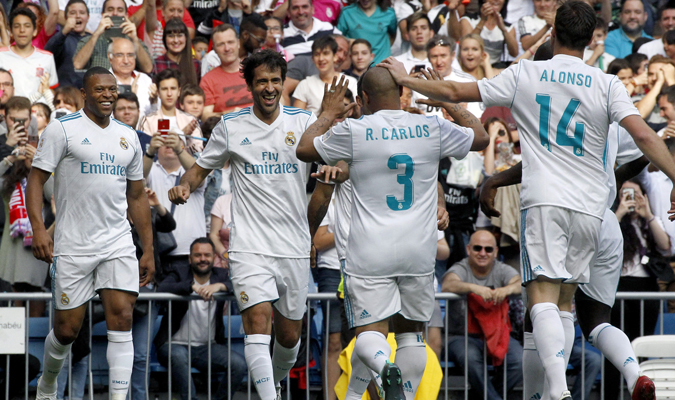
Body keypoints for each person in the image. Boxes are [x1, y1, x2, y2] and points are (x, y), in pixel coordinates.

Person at [379, 1, 675, 399]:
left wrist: (407, 80)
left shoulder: (526, 73)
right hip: (592, 208)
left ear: (552, 33)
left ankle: (557, 391)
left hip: (546, 201)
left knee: (541, 299)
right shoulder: (606, 84)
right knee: (566, 302)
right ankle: (601, 379)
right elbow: (642, 136)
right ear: (591, 40)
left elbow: (453, 89)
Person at [295, 67, 488, 398]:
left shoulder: (355, 130)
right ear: (401, 91)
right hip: (418, 248)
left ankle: (386, 368)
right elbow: (481, 137)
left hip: (370, 250)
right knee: (411, 334)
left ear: (364, 98)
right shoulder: (431, 126)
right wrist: (444, 98)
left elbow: (304, 149)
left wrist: (326, 113)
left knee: (369, 333)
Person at [169, 50, 316, 400]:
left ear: (283, 83)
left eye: (275, 81)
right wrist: (185, 185)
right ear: (250, 85)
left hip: (292, 245)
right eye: (261, 81)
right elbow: (200, 168)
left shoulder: (304, 122)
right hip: (248, 244)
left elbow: (334, 162)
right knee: (256, 325)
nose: (269, 87)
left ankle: (274, 382)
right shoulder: (231, 126)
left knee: (290, 337)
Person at [27, 66, 154, 400]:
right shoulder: (62, 129)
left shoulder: (128, 136)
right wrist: (39, 229)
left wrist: (149, 249)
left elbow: (137, 196)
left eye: (112, 89)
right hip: (73, 244)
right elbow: (36, 180)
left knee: (122, 316)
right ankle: (48, 382)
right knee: (68, 330)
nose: (108, 95)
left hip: (117, 241)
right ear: (85, 93)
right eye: (100, 90)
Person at [155, 237, 248, 400]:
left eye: (207, 255)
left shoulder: (221, 275)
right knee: (178, 356)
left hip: (208, 347)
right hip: (174, 345)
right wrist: (191, 286)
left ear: (214, 258)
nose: (203, 259)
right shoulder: (179, 272)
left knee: (239, 365)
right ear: (190, 259)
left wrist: (221, 286)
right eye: (197, 255)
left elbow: (243, 287)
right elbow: (163, 287)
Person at [441, 230, 522, 400]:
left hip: (498, 335)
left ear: (496, 252)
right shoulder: (461, 267)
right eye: (478, 248)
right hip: (460, 337)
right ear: (468, 249)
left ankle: (483, 397)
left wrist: (506, 290)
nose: (483, 253)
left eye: (488, 249)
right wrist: (474, 288)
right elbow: (448, 284)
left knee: (519, 361)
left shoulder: (501, 269)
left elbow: (521, 283)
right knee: (471, 358)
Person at [72, 0, 153, 74]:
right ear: (102, 14)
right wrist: (96, 34)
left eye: (120, 10)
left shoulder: (133, 40)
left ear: (126, 16)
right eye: (110, 10)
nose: (115, 13)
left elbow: (148, 68)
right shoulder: (90, 40)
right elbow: (77, 65)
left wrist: (135, 39)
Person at [139, 68, 203, 154]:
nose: (169, 94)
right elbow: (144, 150)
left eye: (173, 88)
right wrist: (182, 135)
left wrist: (185, 142)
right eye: (165, 89)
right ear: (158, 92)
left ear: (179, 91)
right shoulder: (147, 121)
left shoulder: (190, 120)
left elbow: (199, 152)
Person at [0, 9, 58, 99]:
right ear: (10, 32)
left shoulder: (47, 57)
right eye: (17, 26)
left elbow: (51, 90)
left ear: (35, 31)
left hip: (37, 111)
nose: (22, 30)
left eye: (27, 26)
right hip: (9, 110)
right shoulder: (1, 55)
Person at [200, 24, 253, 119]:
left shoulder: (256, 71)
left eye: (230, 42)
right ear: (214, 49)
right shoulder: (208, 80)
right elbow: (205, 116)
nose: (227, 48)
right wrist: (229, 114)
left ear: (238, 43)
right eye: (221, 44)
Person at [293, 36, 357, 113]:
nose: (321, 59)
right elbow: (298, 117)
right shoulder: (305, 84)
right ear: (312, 58)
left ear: (335, 56)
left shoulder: (350, 82)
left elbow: (356, 113)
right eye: (317, 54)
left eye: (325, 53)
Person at [44, 0, 90, 88]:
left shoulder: (94, 39)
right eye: (73, 13)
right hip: (66, 95)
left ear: (88, 17)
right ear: (65, 17)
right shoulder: (61, 38)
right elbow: (47, 53)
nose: (78, 16)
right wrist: (65, 31)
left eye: (82, 12)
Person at [459, 0, 518, 66]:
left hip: (494, 70)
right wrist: (482, 21)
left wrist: (503, 29)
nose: (496, 0)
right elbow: (467, 44)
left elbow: (514, 53)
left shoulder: (508, 27)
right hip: (472, 67)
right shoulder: (468, 20)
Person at [109, 37, 156, 119]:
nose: (126, 61)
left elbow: (155, 116)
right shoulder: (102, 81)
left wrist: (154, 102)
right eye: (120, 55)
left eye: (130, 55)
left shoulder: (145, 80)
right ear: (110, 58)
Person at [337, 0, 397, 64]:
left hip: (381, 64)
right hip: (355, 65)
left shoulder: (388, 13)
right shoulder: (347, 13)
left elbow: (393, 35)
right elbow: (338, 39)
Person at [151, 18, 200, 86]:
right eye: (171, 36)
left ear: (186, 38)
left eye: (179, 36)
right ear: (165, 39)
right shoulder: (155, 64)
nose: (176, 40)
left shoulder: (196, 64)